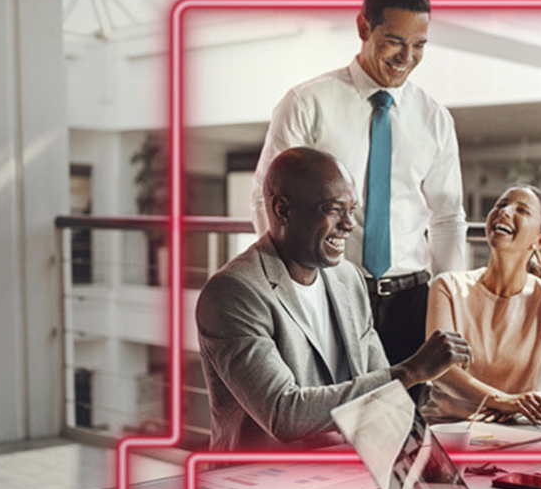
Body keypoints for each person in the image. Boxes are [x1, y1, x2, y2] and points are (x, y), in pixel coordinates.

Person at [250, 0, 467, 367]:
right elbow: (266, 197)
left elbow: (448, 217)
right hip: (331, 291)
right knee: (338, 415)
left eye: (419, 45)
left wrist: (453, 306)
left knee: (406, 418)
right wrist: (291, 289)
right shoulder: (307, 103)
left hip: (412, 299)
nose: (407, 57)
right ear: (364, 26)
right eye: (395, 42)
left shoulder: (434, 118)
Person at [198, 147, 472, 451]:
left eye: (351, 209)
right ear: (282, 210)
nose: (349, 225)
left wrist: (431, 469)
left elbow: (385, 399)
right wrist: (411, 371)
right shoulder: (234, 292)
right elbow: (284, 414)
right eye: (333, 209)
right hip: (261, 483)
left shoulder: (348, 278)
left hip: (345, 468)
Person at [421, 185, 541, 424]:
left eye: (522, 210)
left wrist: (524, 402)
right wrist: (502, 400)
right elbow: (441, 371)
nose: (504, 211)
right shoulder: (447, 286)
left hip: (515, 431)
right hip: (447, 428)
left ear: (540, 240)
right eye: (501, 204)